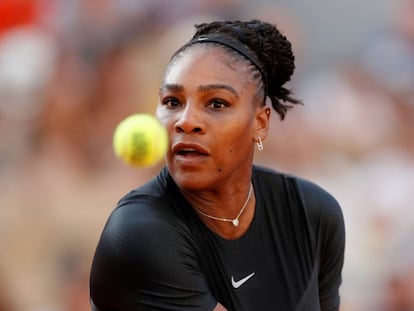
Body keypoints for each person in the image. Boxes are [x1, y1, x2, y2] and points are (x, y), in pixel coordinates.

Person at [89, 19, 345, 311]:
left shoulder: (314, 213)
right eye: (173, 102)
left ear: (260, 123)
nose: (186, 121)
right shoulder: (138, 232)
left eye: (217, 104)